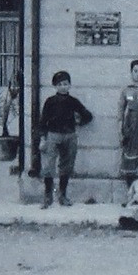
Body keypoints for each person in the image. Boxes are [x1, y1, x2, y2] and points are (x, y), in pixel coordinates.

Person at [38, 70, 93, 207]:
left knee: (66, 166)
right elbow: (43, 121)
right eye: (60, 84)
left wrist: (79, 122)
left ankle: (62, 195)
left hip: (69, 136)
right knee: (49, 166)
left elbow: (88, 115)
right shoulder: (50, 102)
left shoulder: (73, 101)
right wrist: (42, 138)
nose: (63, 86)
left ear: (69, 85)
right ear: (55, 86)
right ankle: (48, 196)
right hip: (53, 135)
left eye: (66, 84)